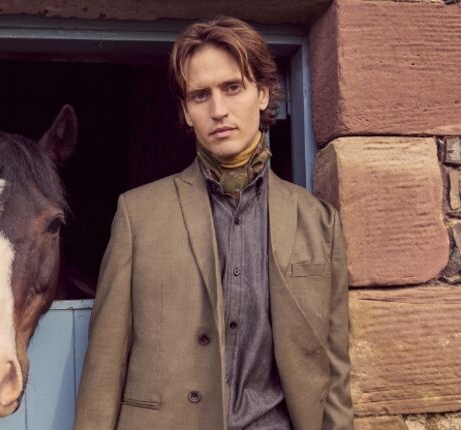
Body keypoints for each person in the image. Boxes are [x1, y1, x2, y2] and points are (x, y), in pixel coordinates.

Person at [74, 16, 353, 430]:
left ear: (262, 94)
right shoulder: (138, 213)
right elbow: (105, 364)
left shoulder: (317, 222)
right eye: (200, 95)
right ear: (186, 112)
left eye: (232, 87)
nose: (218, 110)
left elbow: (333, 374)